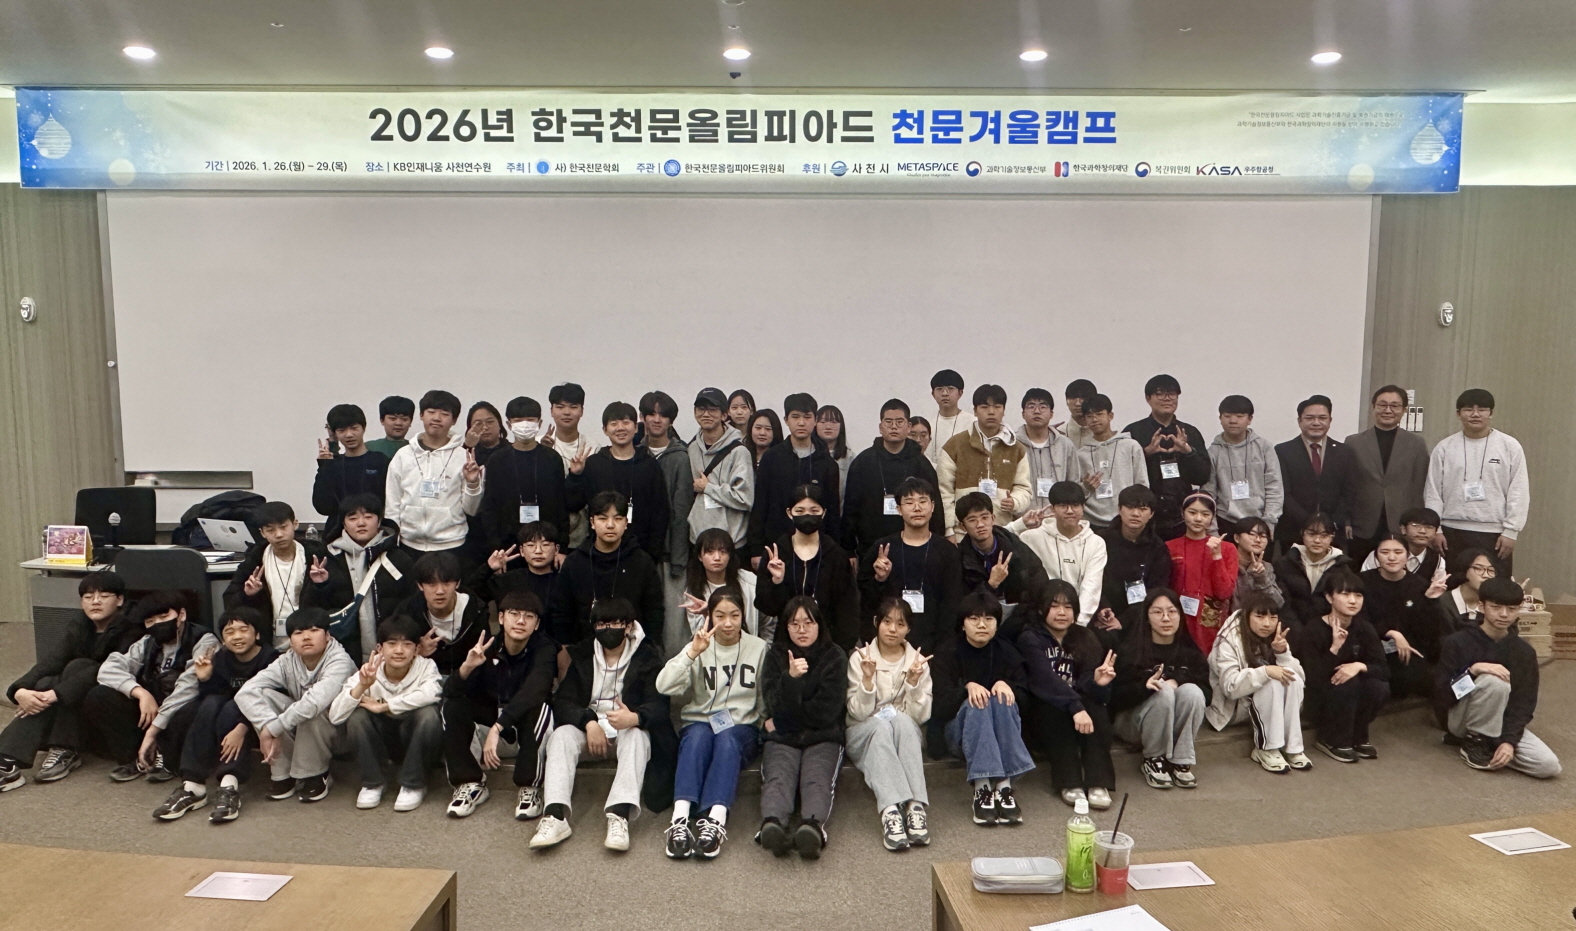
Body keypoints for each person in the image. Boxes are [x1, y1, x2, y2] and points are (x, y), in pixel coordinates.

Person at [533, 598, 674, 851]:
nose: (608, 629)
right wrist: (588, 722)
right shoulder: (583, 655)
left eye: (615, 623)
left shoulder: (647, 657)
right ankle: (555, 816)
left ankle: (619, 815)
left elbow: (660, 704)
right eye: (601, 624)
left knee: (637, 737)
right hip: (590, 731)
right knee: (561, 735)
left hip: (625, 729)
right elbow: (563, 701)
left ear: (628, 626)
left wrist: (636, 717)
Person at [657, 587, 768, 860]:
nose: (728, 623)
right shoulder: (699, 644)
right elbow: (664, 686)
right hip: (700, 722)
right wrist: (692, 653)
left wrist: (764, 724)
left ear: (743, 615)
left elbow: (764, 696)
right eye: (720, 616)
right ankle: (680, 820)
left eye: (735, 615)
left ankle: (715, 821)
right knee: (696, 738)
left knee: (727, 739)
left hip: (741, 726)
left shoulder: (758, 647)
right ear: (710, 617)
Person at [0, 574, 137, 791]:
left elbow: (104, 670)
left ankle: (64, 749)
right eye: (88, 597)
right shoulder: (80, 626)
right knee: (47, 680)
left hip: (115, 714)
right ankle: (6, 762)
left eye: (104, 596)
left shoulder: (133, 629)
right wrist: (20, 690)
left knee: (77, 668)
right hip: (77, 712)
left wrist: (55, 694)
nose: (95, 601)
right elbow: (51, 661)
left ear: (119, 600)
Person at [442, 590, 558, 820]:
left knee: (541, 708)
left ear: (536, 624)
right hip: (490, 728)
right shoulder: (487, 647)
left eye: (529, 616)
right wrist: (467, 667)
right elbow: (451, 692)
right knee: (452, 706)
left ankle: (529, 787)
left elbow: (534, 691)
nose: (521, 621)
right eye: (514, 614)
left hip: (526, 732)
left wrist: (498, 726)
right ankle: (470, 783)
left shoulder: (545, 649)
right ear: (502, 618)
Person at [156, 607, 278, 821]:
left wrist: (241, 729)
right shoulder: (222, 658)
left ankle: (229, 785)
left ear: (257, 634)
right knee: (211, 703)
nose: (237, 636)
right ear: (222, 639)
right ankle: (192, 785)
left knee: (233, 706)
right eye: (229, 632)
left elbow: (271, 701)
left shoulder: (271, 659)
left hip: (261, 724)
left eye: (243, 630)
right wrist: (205, 678)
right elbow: (214, 696)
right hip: (227, 721)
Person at [84, 591, 218, 785]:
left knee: (189, 708)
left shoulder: (203, 640)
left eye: (164, 617)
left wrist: (153, 731)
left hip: (182, 707)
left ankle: (167, 758)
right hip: (154, 703)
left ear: (181, 615)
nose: (158, 624)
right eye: (150, 621)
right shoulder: (147, 642)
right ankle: (136, 758)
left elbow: (189, 687)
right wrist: (141, 693)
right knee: (100, 695)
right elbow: (108, 669)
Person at [1434, 578, 1560, 779]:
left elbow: (1523, 703)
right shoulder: (1457, 642)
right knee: (1494, 681)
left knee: (1548, 766)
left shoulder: (1524, 652)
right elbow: (1443, 696)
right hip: (1461, 717)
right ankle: (1475, 741)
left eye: (1512, 609)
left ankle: (1491, 745)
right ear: (1481, 606)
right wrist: (1472, 672)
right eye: (1496, 607)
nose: (1504, 614)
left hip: (1500, 721)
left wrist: (1508, 742)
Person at [234, 607, 357, 802]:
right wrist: (268, 725)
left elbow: (315, 702)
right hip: (303, 730)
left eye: (314, 630)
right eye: (298, 633)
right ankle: (284, 774)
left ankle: (315, 774)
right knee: (265, 696)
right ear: (291, 641)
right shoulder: (287, 660)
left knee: (312, 708)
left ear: (327, 636)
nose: (306, 637)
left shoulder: (340, 661)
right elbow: (245, 691)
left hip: (342, 733)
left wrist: (272, 729)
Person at [757, 597, 848, 858]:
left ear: (819, 624)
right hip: (784, 738)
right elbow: (773, 702)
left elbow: (825, 712)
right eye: (794, 623)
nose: (801, 629)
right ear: (785, 627)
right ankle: (773, 825)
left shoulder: (834, 656)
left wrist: (782, 721)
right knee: (778, 776)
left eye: (808, 622)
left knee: (816, 779)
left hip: (822, 736)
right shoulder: (776, 655)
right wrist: (791, 678)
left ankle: (812, 828)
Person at [932, 593, 1033, 826]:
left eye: (989, 619)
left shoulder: (1007, 652)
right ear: (963, 624)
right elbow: (939, 709)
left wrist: (1008, 686)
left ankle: (1004, 787)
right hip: (960, 736)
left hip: (1001, 734)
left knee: (1001, 699)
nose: (981, 625)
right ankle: (982, 787)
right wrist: (966, 688)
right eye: (974, 618)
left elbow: (1028, 705)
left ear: (997, 624)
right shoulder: (947, 652)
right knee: (978, 703)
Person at [1017, 580, 1118, 810]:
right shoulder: (1030, 638)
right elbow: (1043, 680)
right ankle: (1069, 782)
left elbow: (1089, 686)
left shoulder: (1085, 637)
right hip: (1041, 711)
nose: (1061, 612)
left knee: (1096, 708)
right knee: (1055, 710)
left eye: (1068, 607)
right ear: (1041, 609)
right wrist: (1076, 707)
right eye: (1054, 606)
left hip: (1078, 708)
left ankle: (1098, 782)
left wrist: (1097, 682)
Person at [844, 598, 934, 852]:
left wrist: (913, 684)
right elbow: (857, 713)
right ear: (876, 623)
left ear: (909, 629)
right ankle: (890, 811)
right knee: (880, 727)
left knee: (903, 721)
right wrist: (867, 681)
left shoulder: (917, 662)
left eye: (900, 624)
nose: (893, 629)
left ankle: (915, 807)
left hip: (903, 733)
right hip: (863, 732)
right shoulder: (860, 659)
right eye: (887, 622)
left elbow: (920, 717)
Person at [329, 615, 443, 812]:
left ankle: (413, 784)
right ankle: (372, 783)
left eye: (407, 644)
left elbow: (432, 693)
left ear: (417, 650)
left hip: (413, 738)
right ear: (380, 648)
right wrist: (361, 686)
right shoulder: (369, 670)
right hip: (381, 740)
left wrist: (386, 706)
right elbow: (335, 716)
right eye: (391, 644)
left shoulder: (426, 667)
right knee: (357, 717)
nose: (399, 650)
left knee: (429, 715)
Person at [1110, 589, 1209, 790]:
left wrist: (1177, 681)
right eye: (1157, 612)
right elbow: (1114, 699)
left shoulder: (1190, 652)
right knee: (1163, 692)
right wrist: (1144, 688)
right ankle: (1153, 758)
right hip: (1133, 724)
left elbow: (1208, 694)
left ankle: (1180, 759)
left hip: (1170, 723)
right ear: (1146, 617)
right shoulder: (1130, 650)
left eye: (1172, 611)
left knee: (1192, 691)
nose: (1166, 618)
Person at [1424, 388, 1529, 573]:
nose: (1475, 414)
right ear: (1458, 414)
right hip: (1451, 531)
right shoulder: (1445, 447)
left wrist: (1511, 531)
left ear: (1491, 413)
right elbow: (1433, 491)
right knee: (1452, 583)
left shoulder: (1510, 446)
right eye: (1468, 409)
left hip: (1495, 533)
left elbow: (1519, 491)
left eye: (1482, 409)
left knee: (1494, 586)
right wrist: (1436, 529)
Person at [302, 493, 415, 663]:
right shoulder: (327, 559)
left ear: (379, 521)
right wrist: (320, 586)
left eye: (368, 517)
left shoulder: (399, 559)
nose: (361, 523)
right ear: (343, 524)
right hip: (341, 653)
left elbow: (411, 604)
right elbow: (310, 611)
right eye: (353, 518)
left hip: (392, 651)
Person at [1205, 594, 1310, 774]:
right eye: (1259, 617)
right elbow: (1230, 687)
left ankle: (1293, 747)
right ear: (1247, 615)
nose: (1267, 624)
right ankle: (1267, 748)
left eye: (1272, 617)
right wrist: (1265, 672)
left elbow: (1301, 681)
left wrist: (1282, 654)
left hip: (1270, 707)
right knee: (1272, 681)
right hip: (1233, 708)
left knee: (1291, 676)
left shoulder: (1276, 636)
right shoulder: (1229, 639)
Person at [1292, 569, 1388, 763]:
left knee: (1378, 686)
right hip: (1318, 697)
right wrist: (1334, 648)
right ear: (1329, 597)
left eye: (1358, 595)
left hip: (1353, 693)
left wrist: (1358, 666)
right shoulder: (1313, 629)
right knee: (1348, 684)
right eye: (1345, 594)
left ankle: (1358, 736)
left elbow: (1384, 670)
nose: (1353, 601)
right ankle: (1331, 739)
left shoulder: (1364, 628)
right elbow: (1313, 677)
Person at [858, 477, 963, 653]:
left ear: (933, 506)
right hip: (889, 640)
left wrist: (943, 647)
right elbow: (866, 600)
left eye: (923, 501)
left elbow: (952, 604)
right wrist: (879, 579)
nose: (917, 508)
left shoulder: (947, 551)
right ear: (898, 509)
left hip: (935, 642)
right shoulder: (883, 548)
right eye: (909, 502)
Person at [549, 491, 666, 648]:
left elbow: (654, 610)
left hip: (632, 647)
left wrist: (650, 647)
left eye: (617, 519)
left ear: (626, 522)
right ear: (592, 522)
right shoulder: (574, 562)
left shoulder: (641, 561)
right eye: (603, 518)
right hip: (583, 649)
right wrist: (565, 649)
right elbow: (562, 612)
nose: (610, 525)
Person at [755, 484, 861, 648]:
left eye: (814, 510)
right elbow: (766, 606)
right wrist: (776, 582)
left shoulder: (836, 555)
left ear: (823, 513)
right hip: (786, 643)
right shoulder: (776, 553)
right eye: (800, 511)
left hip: (828, 645)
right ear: (789, 513)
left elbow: (848, 609)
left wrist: (839, 649)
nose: (807, 516)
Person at [384, 389, 484, 562]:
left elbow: (471, 509)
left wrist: (473, 483)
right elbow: (392, 504)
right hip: (408, 545)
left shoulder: (463, 457)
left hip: (452, 544)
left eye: (444, 414)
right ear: (421, 415)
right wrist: (393, 541)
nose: (437, 418)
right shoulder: (403, 455)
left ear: (454, 420)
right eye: (431, 412)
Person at [568, 401, 670, 565]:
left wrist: (652, 555)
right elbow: (573, 503)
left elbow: (660, 512)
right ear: (605, 430)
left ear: (636, 428)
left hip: (640, 553)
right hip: (600, 552)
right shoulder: (595, 464)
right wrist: (575, 476)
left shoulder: (649, 465)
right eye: (614, 423)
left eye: (626, 422)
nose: (620, 428)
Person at [841, 399, 944, 558]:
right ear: (880, 427)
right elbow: (851, 509)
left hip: (916, 547)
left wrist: (938, 544)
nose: (894, 426)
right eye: (888, 422)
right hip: (871, 547)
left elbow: (935, 508)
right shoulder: (863, 462)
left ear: (908, 426)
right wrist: (849, 550)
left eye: (899, 422)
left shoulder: (921, 464)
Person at [223, 500, 330, 650]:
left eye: (283, 527)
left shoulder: (316, 556)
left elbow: (337, 600)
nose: (278, 534)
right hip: (268, 644)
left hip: (310, 640)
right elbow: (230, 603)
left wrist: (321, 585)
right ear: (262, 533)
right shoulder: (255, 561)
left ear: (295, 524)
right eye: (270, 529)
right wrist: (247, 595)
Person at [749, 393, 842, 560]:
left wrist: (835, 549)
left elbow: (833, 511)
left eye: (807, 417)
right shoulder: (771, 458)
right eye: (795, 417)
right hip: (777, 546)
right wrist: (755, 549)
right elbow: (761, 505)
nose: (801, 422)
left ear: (815, 420)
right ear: (786, 420)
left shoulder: (827, 464)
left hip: (817, 547)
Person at [478, 396, 575, 556]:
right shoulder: (497, 460)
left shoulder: (552, 458)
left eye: (530, 420)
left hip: (546, 544)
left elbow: (561, 507)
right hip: (507, 547)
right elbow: (490, 508)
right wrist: (496, 549)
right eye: (518, 420)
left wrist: (562, 547)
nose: (524, 425)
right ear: (508, 424)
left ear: (539, 423)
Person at [1344, 385, 1430, 564]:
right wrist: (1346, 520)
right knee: (1358, 571)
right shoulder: (1353, 442)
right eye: (1382, 405)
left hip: (1401, 522)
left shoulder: (1416, 444)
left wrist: (1416, 524)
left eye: (1395, 406)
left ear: (1404, 410)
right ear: (1373, 407)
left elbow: (1419, 486)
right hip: (1362, 524)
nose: (1388, 410)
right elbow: (1346, 486)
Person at [1123, 375, 1211, 541]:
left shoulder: (1190, 432)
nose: (1167, 398)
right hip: (1145, 514)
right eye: (1160, 394)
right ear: (1148, 398)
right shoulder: (1133, 432)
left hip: (1182, 515)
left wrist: (1188, 451)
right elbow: (1123, 474)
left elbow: (1202, 476)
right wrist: (1146, 453)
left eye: (1171, 394)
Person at [1008, 482, 1107, 628]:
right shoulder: (1031, 537)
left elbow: (1091, 588)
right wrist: (1020, 525)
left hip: (1077, 620)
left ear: (1083, 507)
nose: (1069, 511)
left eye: (1075, 505)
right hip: (1039, 617)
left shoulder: (1096, 543)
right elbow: (994, 536)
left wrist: (1076, 625)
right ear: (1053, 508)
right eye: (1063, 506)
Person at [937, 384, 1030, 540]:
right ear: (975, 411)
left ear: (1004, 410)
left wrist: (1015, 502)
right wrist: (949, 530)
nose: (991, 412)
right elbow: (944, 491)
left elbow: (1024, 488)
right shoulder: (955, 445)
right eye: (984, 407)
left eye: (997, 407)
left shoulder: (1016, 448)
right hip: (962, 533)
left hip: (1003, 530)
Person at [1362, 534, 1448, 700]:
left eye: (1398, 552)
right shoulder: (1362, 581)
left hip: (1407, 648)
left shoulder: (1419, 584)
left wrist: (1428, 600)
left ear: (1407, 555)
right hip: (1371, 646)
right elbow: (1360, 619)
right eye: (1385, 552)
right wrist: (1392, 633)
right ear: (1376, 556)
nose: (1391, 557)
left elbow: (1427, 629)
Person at [1274, 394, 1357, 554]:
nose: (1316, 422)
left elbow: (1350, 492)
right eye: (1310, 418)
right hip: (1294, 530)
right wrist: (1308, 523)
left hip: (1332, 531)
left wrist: (1331, 523)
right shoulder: (1283, 451)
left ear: (1330, 421)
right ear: (1300, 421)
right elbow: (1283, 493)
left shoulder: (1345, 452)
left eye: (1322, 418)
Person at [954, 492, 1047, 619]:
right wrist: (991, 584)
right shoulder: (959, 558)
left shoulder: (1016, 547)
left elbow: (1038, 584)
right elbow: (963, 604)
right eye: (972, 520)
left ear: (993, 518)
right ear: (962, 526)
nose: (980, 524)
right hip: (978, 621)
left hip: (1018, 618)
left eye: (984, 517)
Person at [1165, 492, 1238, 654]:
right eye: (1192, 512)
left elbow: (1224, 592)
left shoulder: (1227, 548)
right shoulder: (1169, 547)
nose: (1198, 519)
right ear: (1182, 513)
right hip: (1178, 616)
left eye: (1205, 514)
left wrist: (1217, 556)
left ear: (1212, 518)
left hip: (1210, 620)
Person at [394, 551, 486, 676]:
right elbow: (392, 656)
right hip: (423, 679)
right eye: (432, 584)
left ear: (457, 583)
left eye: (446, 583)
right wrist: (417, 652)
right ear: (420, 586)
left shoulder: (476, 610)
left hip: (468, 679)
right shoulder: (407, 611)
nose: (440, 591)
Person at [1096, 485, 1173, 632]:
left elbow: (1157, 590)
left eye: (1143, 509)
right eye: (1130, 507)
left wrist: (1124, 620)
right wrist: (1102, 608)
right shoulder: (1100, 540)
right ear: (1119, 509)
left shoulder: (1158, 548)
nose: (1135, 514)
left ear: (1151, 514)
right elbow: (1092, 579)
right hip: (1103, 613)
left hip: (1141, 616)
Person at [686, 387, 754, 550]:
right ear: (695, 413)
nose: (706, 414)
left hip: (731, 543)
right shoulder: (692, 448)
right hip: (699, 541)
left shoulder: (739, 452)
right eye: (701, 409)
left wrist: (708, 488)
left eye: (712, 409)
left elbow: (745, 499)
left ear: (724, 415)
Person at [1205, 395, 1283, 534]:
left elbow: (1274, 486)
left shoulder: (1264, 447)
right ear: (1220, 418)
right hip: (1225, 521)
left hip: (1260, 521)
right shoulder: (1213, 452)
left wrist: (1269, 523)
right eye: (1227, 416)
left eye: (1239, 416)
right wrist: (1212, 530)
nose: (1233, 421)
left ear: (1250, 419)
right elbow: (1209, 493)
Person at [312, 403, 391, 539]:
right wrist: (325, 466)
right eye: (341, 430)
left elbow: (390, 502)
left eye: (354, 428)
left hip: (376, 535)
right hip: (337, 537)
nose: (349, 435)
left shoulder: (380, 461)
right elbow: (323, 507)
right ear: (334, 433)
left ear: (363, 428)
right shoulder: (333, 465)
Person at [1073, 393, 1148, 530]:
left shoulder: (1130, 446)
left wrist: (1136, 512)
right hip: (1092, 521)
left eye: (1099, 414)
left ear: (1110, 416)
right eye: (1089, 416)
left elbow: (1142, 484)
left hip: (1125, 520)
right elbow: (1075, 493)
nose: (1094, 419)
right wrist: (1086, 487)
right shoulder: (1081, 454)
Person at [544, 382, 601, 548]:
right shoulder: (540, 444)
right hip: (546, 533)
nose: (567, 412)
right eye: (560, 407)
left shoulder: (593, 447)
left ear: (582, 411)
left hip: (583, 535)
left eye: (573, 407)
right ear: (551, 410)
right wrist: (542, 454)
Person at [683, 528, 763, 640]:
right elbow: (697, 634)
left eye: (723, 552)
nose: (717, 558)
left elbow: (767, 622)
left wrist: (765, 647)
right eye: (710, 552)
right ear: (700, 556)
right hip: (711, 648)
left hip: (748, 647)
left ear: (730, 555)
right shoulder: (694, 589)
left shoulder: (750, 581)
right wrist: (708, 613)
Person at [1273, 512, 1351, 625]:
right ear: (1302, 534)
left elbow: (1342, 605)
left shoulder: (1341, 567)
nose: (1317, 540)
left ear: (1332, 536)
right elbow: (1283, 603)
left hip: (1326, 627)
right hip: (1290, 626)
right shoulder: (1285, 564)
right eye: (1311, 534)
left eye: (1324, 535)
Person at [1019, 388, 1079, 512]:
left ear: (1051, 414)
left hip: (1057, 517)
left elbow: (1073, 484)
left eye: (1043, 407)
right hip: (1022, 517)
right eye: (1031, 406)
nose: (1037, 411)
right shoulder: (1013, 444)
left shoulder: (1065, 445)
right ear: (1023, 414)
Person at [1358, 507, 1447, 586]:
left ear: (1436, 532)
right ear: (1403, 529)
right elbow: (1363, 583)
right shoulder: (1382, 554)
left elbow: (1437, 592)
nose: (1422, 531)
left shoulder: (1437, 561)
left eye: (1429, 527)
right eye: (1415, 526)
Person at [486, 521, 562, 609]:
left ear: (556, 549)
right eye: (531, 545)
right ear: (522, 551)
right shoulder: (507, 580)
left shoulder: (564, 582)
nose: (538, 551)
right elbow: (474, 590)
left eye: (545, 545)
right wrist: (488, 568)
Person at [1437, 548, 1499, 635]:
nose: (1486, 575)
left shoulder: (1496, 605)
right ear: (1464, 570)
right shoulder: (1442, 603)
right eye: (1479, 568)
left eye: (1491, 570)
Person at [925, 369, 974, 469]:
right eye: (939, 389)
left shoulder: (972, 423)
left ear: (960, 393)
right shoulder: (927, 424)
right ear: (933, 394)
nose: (945, 393)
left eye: (950, 388)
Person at [1231, 516, 1284, 608]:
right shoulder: (1224, 562)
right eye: (1252, 534)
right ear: (1237, 538)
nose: (1258, 540)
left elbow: (1278, 603)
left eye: (1263, 536)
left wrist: (1261, 578)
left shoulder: (1266, 567)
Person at [815, 404, 853, 499]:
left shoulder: (850, 458)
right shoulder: (809, 455)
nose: (828, 426)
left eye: (834, 422)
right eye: (822, 422)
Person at [462, 400, 507, 467]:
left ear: (499, 424)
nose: (485, 427)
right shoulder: (463, 452)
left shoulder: (513, 451)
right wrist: (468, 447)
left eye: (490, 422)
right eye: (478, 424)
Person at [1062, 379, 1099, 449]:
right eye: (1073, 398)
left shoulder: (1103, 433)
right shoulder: (1057, 433)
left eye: (1083, 398)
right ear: (1067, 401)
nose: (1077, 403)